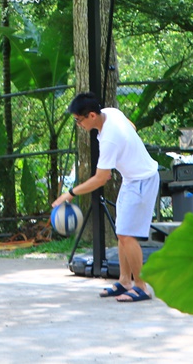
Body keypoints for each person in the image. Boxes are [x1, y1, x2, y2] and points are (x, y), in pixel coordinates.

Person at [52, 92, 160, 303]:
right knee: (122, 233)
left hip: (142, 181)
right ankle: (124, 281)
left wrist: (71, 193)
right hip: (131, 179)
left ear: (91, 115)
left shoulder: (110, 138)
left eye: (78, 120)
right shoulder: (110, 113)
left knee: (127, 235)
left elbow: (101, 178)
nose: (78, 124)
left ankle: (142, 287)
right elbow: (132, 126)